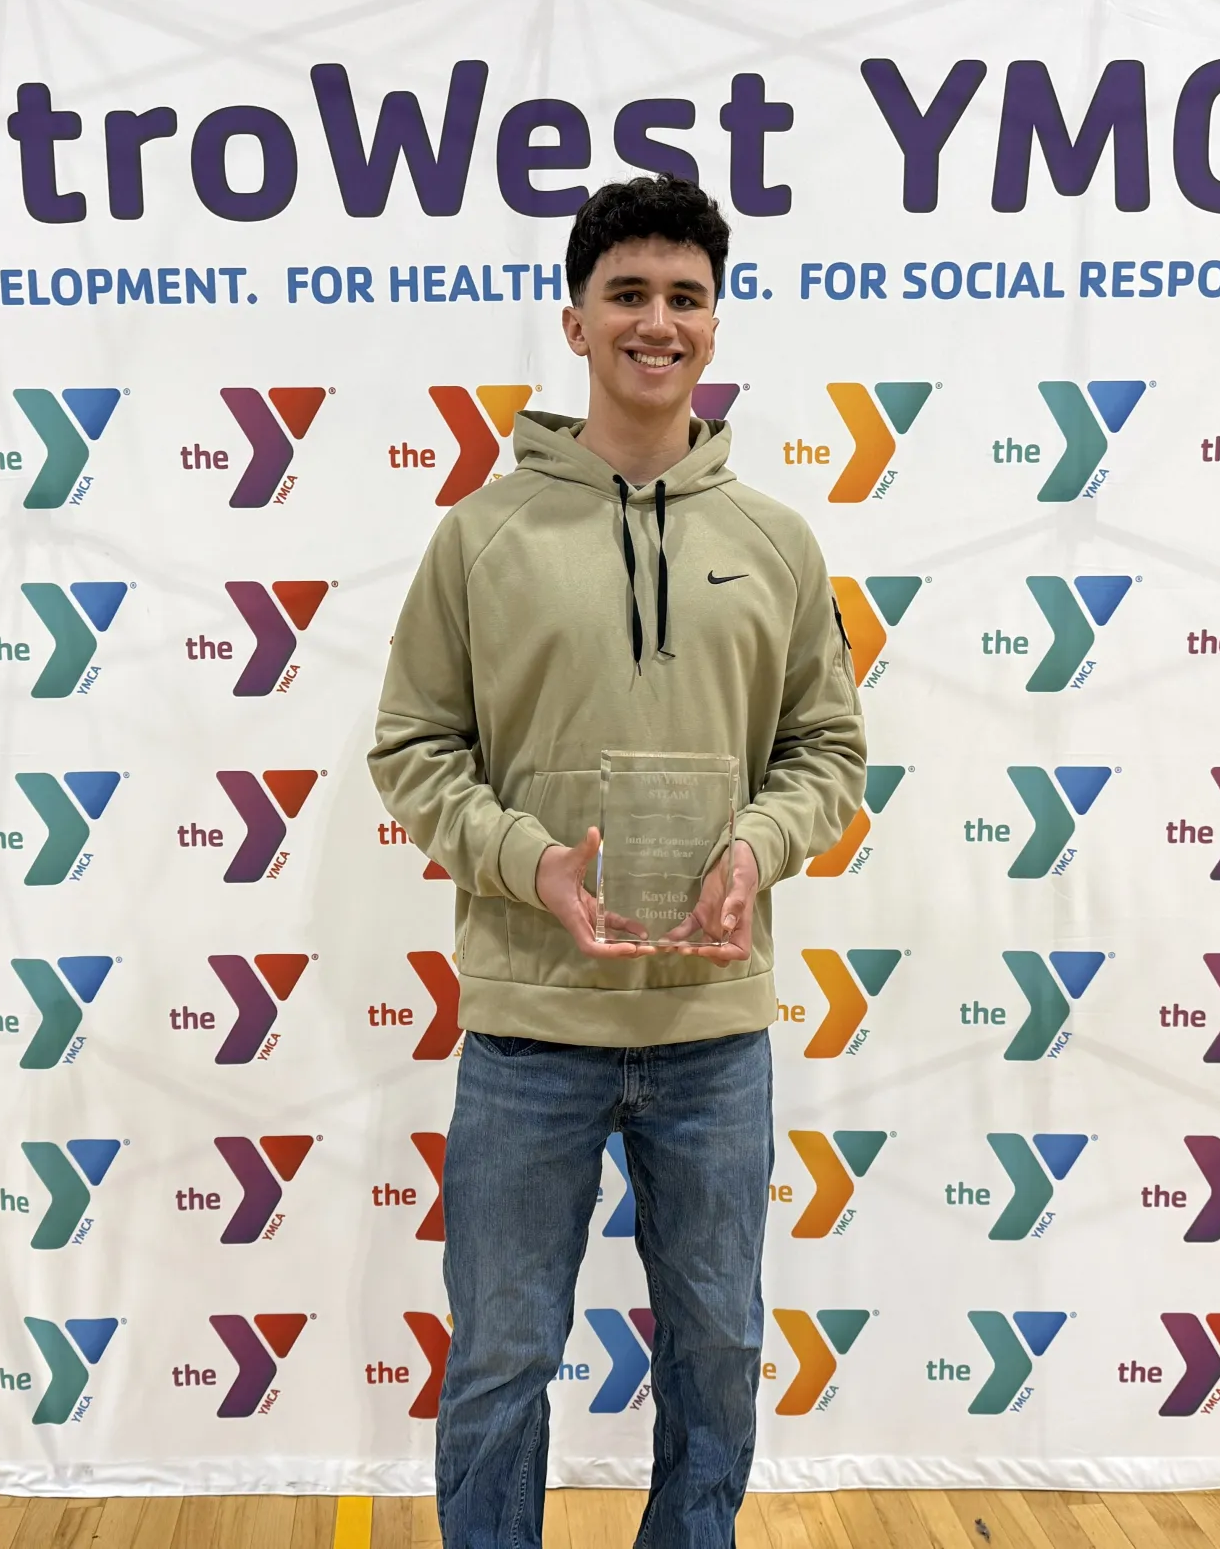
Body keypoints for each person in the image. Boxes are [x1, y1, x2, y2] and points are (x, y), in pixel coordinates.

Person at [369, 175, 867, 1549]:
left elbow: (828, 752)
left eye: (685, 296)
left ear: (716, 322)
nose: (658, 321)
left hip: (713, 1032)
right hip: (531, 1028)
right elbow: (413, 748)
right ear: (577, 321)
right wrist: (531, 864)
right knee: (499, 1361)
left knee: (714, 1355)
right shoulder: (481, 537)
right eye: (628, 295)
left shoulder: (774, 541)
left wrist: (758, 850)